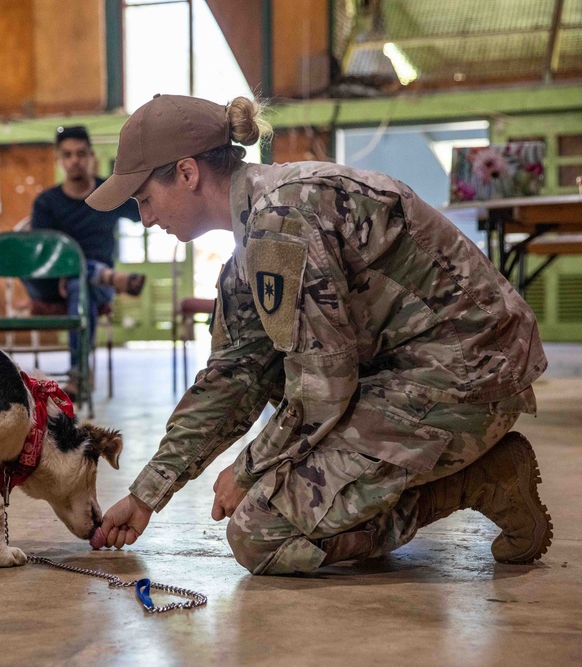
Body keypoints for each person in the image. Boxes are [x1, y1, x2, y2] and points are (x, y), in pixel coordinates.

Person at [88, 94, 552, 575]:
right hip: (415, 368)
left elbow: (322, 389)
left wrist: (248, 468)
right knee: (267, 391)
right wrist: (145, 495)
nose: (145, 218)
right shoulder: (251, 244)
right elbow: (231, 379)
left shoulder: (282, 223)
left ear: (187, 173)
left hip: (472, 373)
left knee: (259, 533)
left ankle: (480, 480)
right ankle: (428, 478)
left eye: (144, 199)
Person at [23, 125, 145, 395]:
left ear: (91, 156)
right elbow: (42, 255)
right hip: (52, 282)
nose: (74, 160)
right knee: (75, 277)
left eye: (80, 153)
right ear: (59, 160)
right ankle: (106, 276)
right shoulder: (47, 202)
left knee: (82, 287)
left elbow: (145, 211)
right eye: (67, 155)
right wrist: (64, 271)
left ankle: (78, 378)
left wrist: (131, 175)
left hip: (91, 288)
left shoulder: (108, 192)